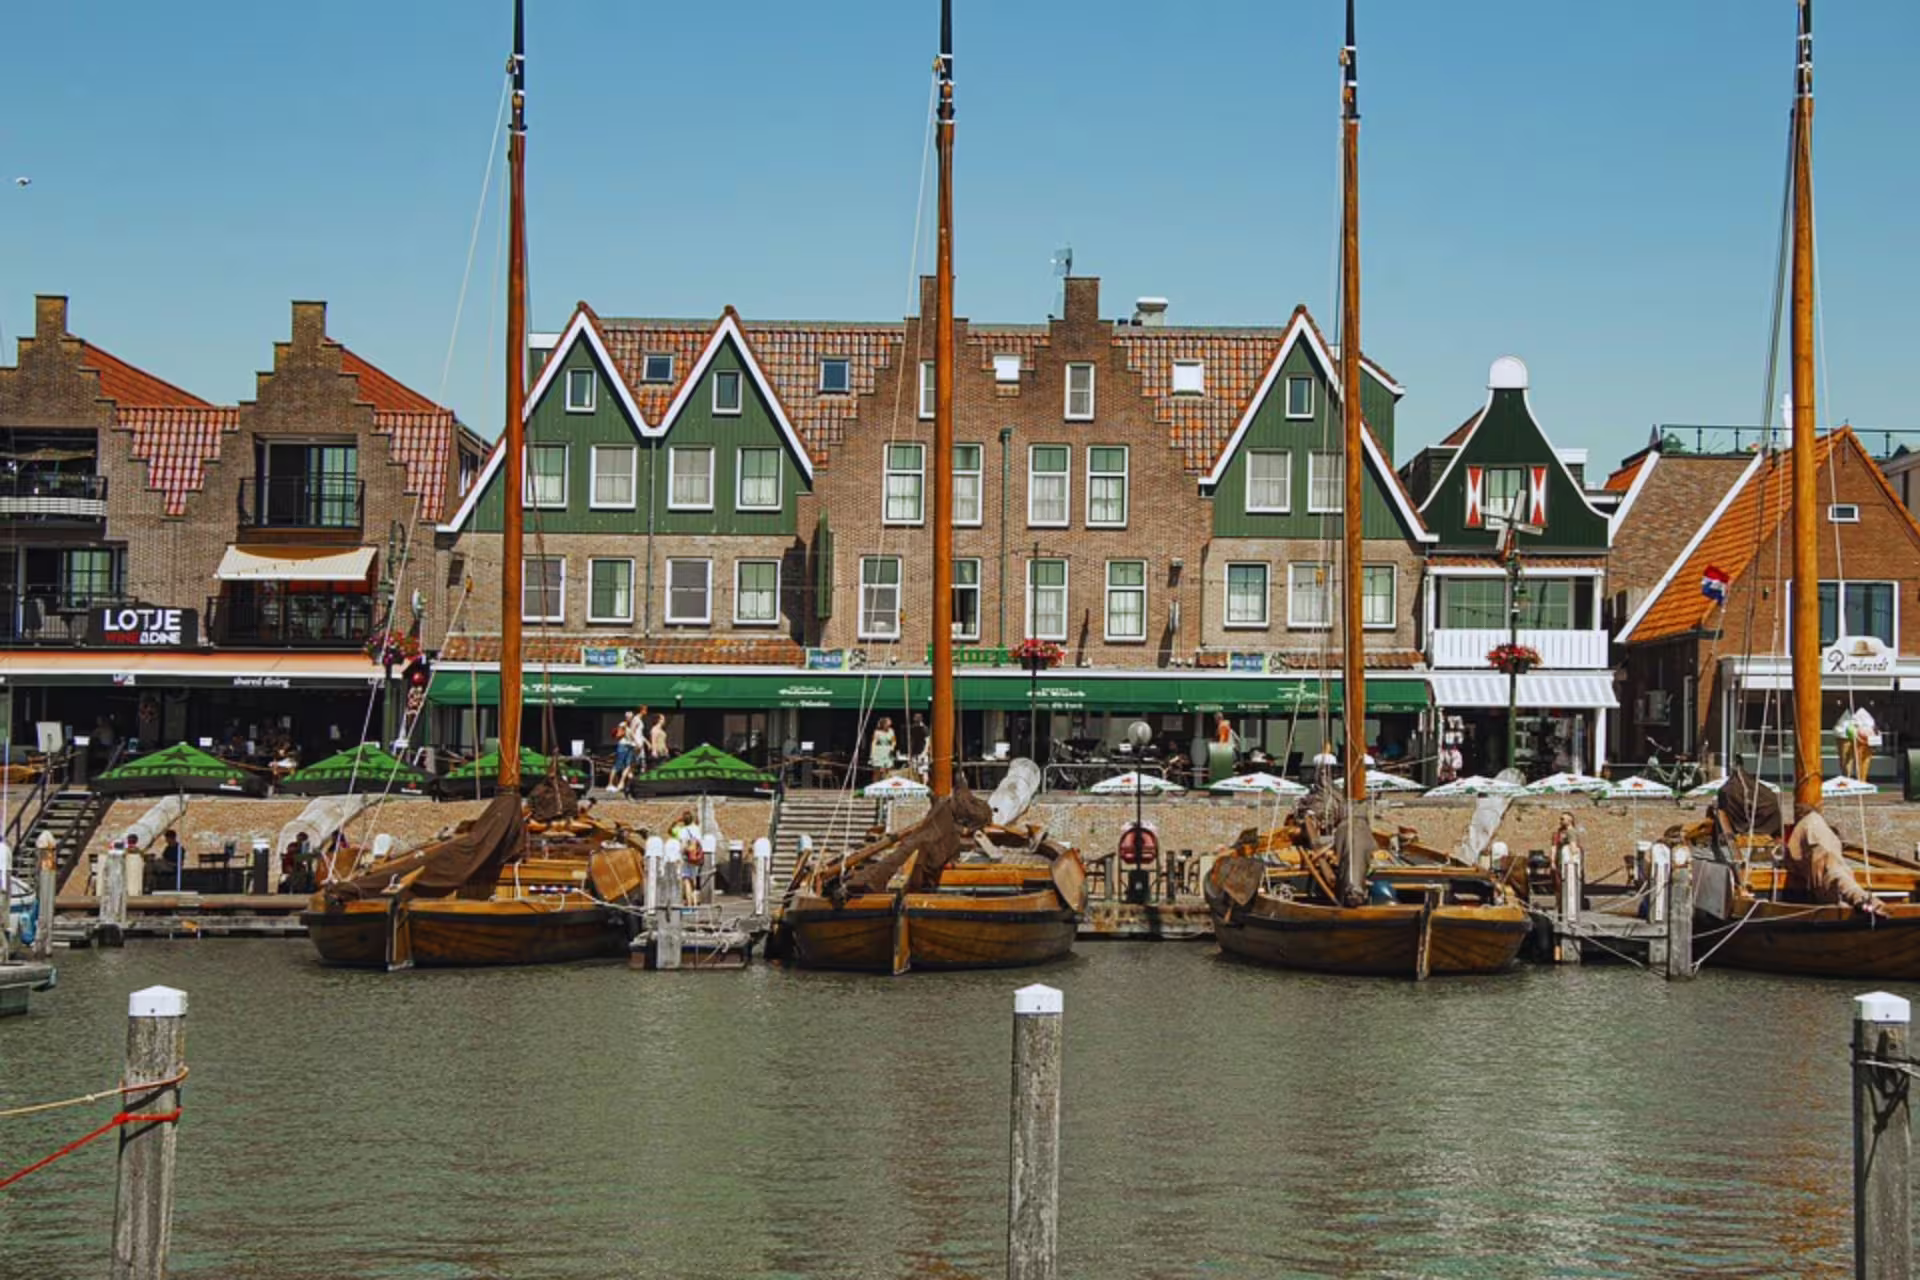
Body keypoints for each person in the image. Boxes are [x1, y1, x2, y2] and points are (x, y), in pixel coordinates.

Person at [1852, 703, 1879, 782]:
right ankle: (1861, 779)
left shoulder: (1862, 715)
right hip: (1863, 739)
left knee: (1863, 760)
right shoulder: (1862, 715)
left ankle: (1862, 779)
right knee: (1862, 761)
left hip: (1867, 740)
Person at [1834, 708, 1859, 781]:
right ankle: (1845, 775)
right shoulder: (1842, 715)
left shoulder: (1856, 716)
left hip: (1852, 737)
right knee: (1844, 759)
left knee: (1850, 759)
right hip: (1842, 736)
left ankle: (1848, 776)